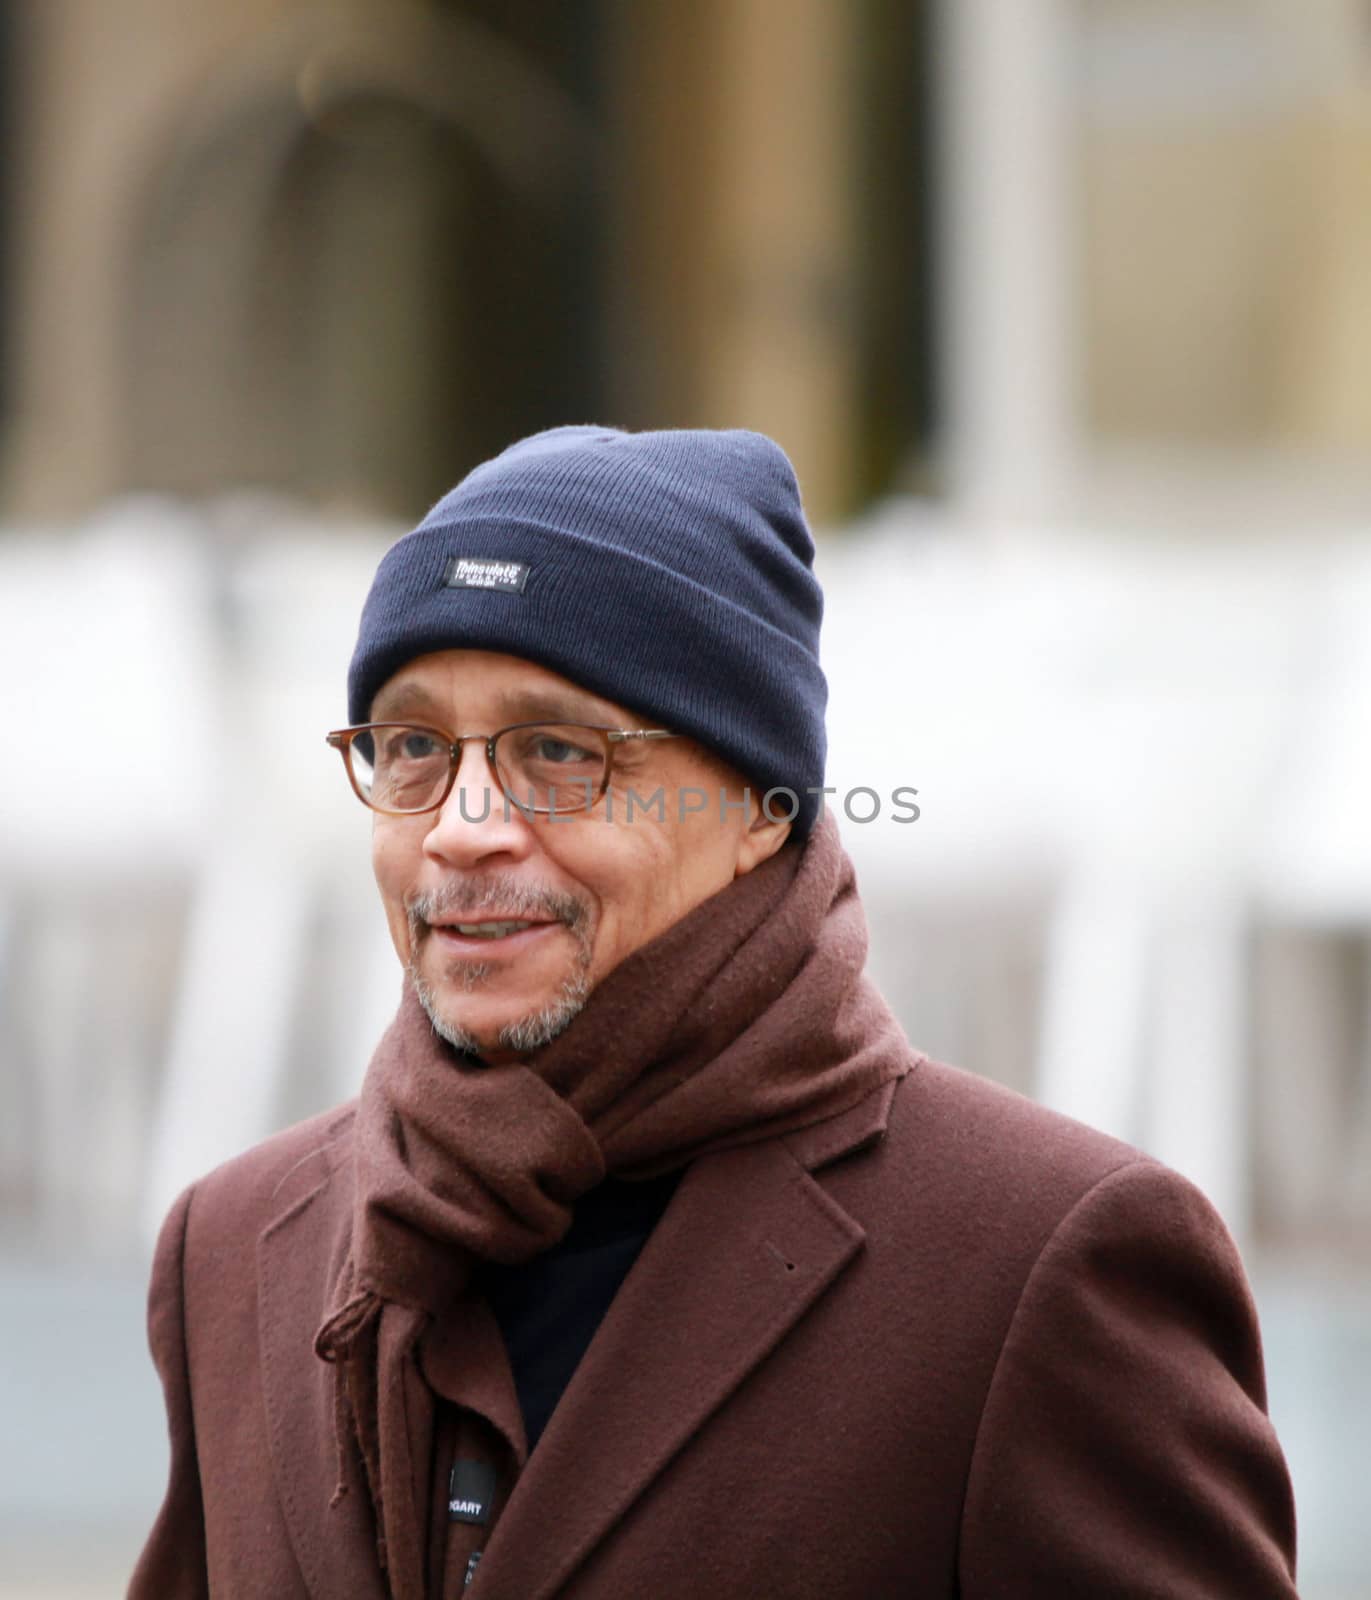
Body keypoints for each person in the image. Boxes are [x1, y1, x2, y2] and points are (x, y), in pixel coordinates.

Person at [130, 426, 1299, 1599]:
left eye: (556, 750)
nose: (461, 823)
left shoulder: (1041, 1267)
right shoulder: (234, 1251)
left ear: (758, 807)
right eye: (413, 748)